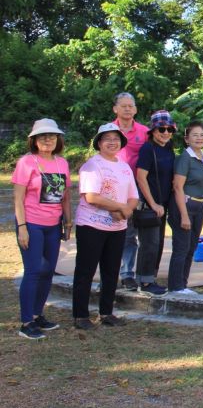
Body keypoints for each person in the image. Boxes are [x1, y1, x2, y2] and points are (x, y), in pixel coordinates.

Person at [73, 123, 139, 329]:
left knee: (111, 271)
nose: (112, 142)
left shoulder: (124, 166)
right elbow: (92, 196)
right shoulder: (92, 165)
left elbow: (133, 196)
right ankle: (81, 315)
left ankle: (106, 312)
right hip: (91, 225)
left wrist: (126, 210)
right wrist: (120, 207)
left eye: (116, 138)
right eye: (107, 138)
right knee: (86, 270)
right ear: (99, 143)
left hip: (117, 226)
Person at [12, 119, 72, 339]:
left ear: (58, 140)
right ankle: (26, 322)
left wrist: (67, 222)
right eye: (43, 136)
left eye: (52, 136)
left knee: (48, 271)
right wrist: (22, 227)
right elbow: (18, 198)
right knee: (33, 271)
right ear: (34, 140)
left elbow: (65, 196)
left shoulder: (62, 163)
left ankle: (38, 315)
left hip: (53, 226)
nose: (48, 139)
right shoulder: (27, 162)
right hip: (32, 224)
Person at [167, 121, 203, 294]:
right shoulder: (184, 158)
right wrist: (184, 215)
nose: (199, 138)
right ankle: (175, 286)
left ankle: (182, 284)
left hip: (200, 207)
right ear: (186, 139)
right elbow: (178, 187)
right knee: (181, 247)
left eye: (202, 135)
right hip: (184, 206)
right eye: (195, 135)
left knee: (191, 247)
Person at [134, 111, 176, 296]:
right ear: (152, 131)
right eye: (161, 129)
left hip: (164, 204)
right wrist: (153, 203)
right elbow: (141, 178)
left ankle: (151, 277)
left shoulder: (168, 148)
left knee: (158, 243)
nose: (165, 133)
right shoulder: (147, 149)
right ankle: (144, 281)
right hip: (150, 205)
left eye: (169, 129)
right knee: (149, 243)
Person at [112, 92, 149, 292]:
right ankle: (108, 272)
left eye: (131, 106)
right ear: (115, 109)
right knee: (108, 229)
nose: (127, 109)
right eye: (123, 106)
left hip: (136, 187)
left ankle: (127, 274)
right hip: (113, 188)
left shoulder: (143, 131)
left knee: (131, 232)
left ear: (135, 109)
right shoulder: (108, 130)